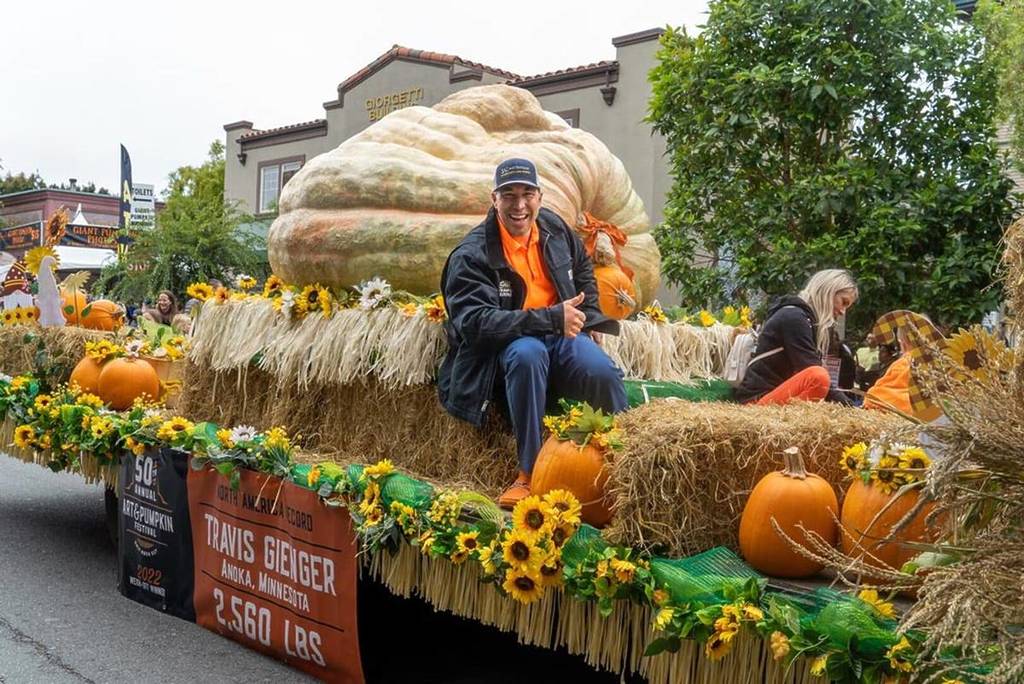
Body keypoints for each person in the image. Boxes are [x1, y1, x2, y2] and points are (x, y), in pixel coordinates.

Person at [438, 158, 627, 508]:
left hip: (558, 333)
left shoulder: (553, 228)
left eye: (527, 194)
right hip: (505, 345)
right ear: (493, 200)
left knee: (599, 370)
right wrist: (552, 319)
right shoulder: (473, 254)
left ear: (540, 196)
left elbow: (583, 266)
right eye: (509, 195)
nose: (519, 205)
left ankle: (624, 462)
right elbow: (475, 324)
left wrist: (587, 316)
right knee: (528, 355)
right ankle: (530, 473)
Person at [734, 269, 858, 406]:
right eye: (844, 302)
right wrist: (850, 407)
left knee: (819, 377)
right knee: (818, 377)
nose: (842, 312)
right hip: (757, 401)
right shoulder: (794, 318)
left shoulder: (804, 319)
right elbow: (811, 370)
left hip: (773, 397)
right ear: (828, 291)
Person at [863, 327, 913, 414]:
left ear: (902, 343)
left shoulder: (904, 362)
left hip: (904, 410)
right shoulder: (938, 362)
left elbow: (878, 395)